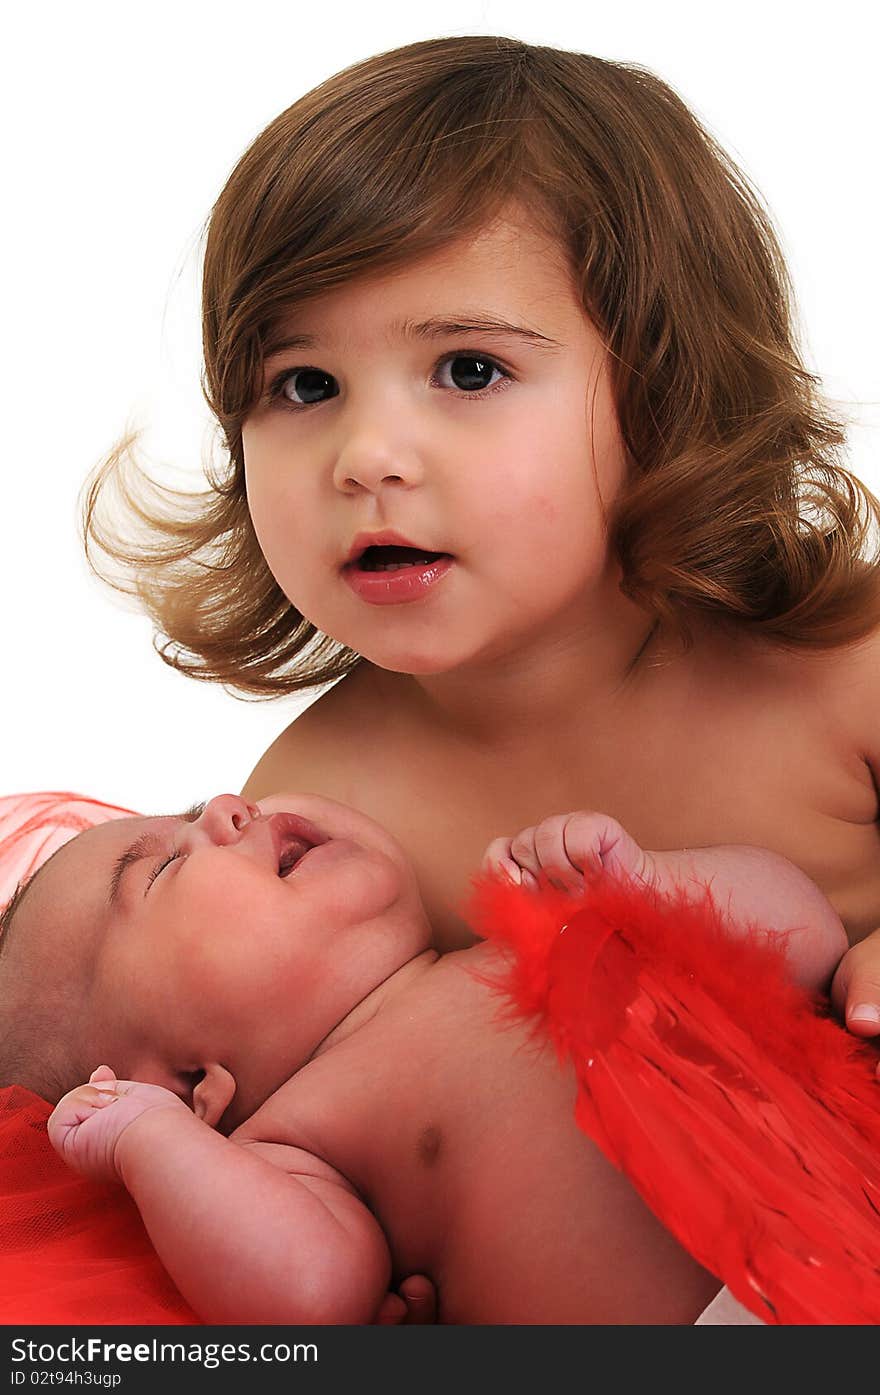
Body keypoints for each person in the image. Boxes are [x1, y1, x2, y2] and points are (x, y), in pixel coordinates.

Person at [83, 37, 880, 1028]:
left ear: (666, 394)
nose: (366, 456)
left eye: (468, 370)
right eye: (304, 385)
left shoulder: (847, 670)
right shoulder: (327, 810)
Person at [2, 792, 850, 1324]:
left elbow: (807, 943)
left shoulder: (524, 932)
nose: (227, 808)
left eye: (192, 805)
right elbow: (307, 1295)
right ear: (193, 1089)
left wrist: (642, 885)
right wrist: (149, 1141)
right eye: (159, 870)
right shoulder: (292, 1144)